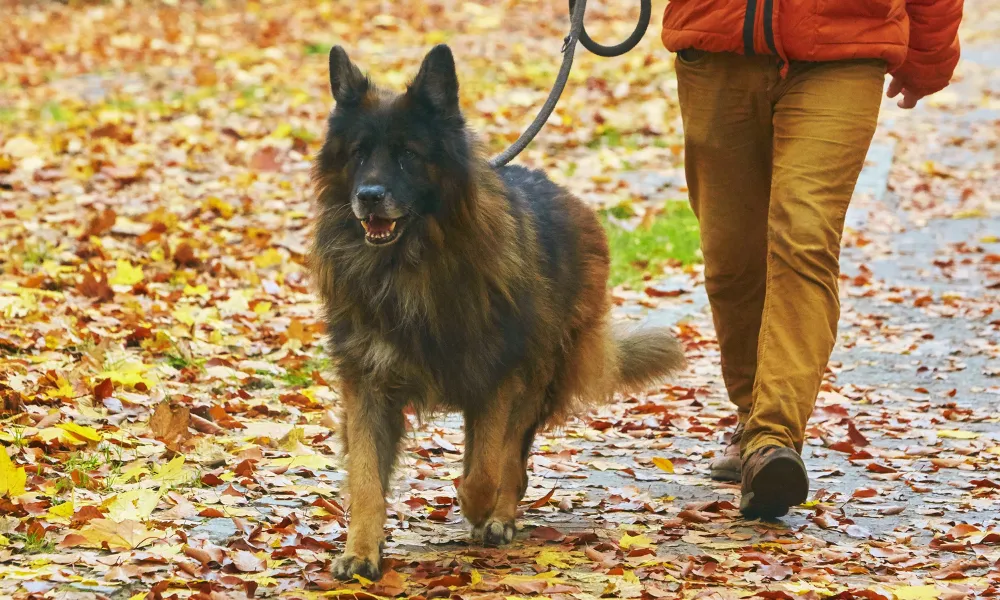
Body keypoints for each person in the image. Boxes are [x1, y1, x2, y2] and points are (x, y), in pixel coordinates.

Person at [661, 0, 963, 518]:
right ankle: (751, 411)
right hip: (717, 46)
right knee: (731, 257)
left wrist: (928, 55)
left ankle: (772, 439)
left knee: (804, 235)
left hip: (844, 46)